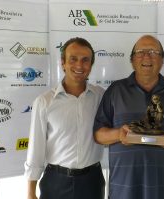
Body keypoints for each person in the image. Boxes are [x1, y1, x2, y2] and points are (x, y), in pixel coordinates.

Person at [93, 35, 164, 199]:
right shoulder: (116, 91)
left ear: (162, 60)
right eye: (140, 52)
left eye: (153, 51)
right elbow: (98, 134)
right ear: (132, 59)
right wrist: (118, 135)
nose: (146, 56)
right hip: (124, 191)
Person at [24, 37, 105, 199]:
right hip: (56, 182)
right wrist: (30, 192)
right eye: (73, 59)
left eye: (85, 60)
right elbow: (36, 149)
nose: (79, 66)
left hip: (92, 182)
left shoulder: (101, 97)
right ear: (63, 63)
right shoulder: (44, 102)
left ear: (91, 65)